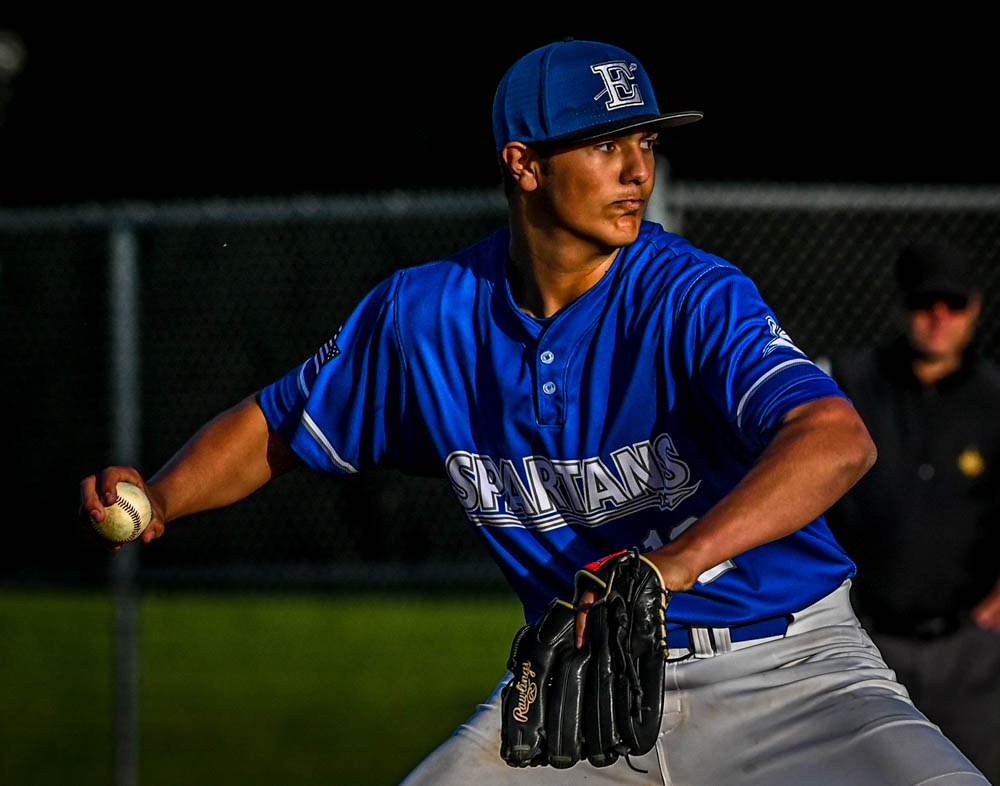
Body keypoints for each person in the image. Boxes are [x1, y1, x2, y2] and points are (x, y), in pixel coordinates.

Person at [80, 40, 989, 784]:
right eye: (605, 145)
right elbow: (278, 424)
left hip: (792, 674)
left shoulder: (690, 296)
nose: (638, 169)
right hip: (578, 691)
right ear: (523, 164)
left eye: (647, 141)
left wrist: (670, 565)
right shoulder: (426, 316)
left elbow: (835, 438)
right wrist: (160, 498)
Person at [825, 240, 1000, 782]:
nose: (939, 318)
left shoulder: (995, 400)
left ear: (975, 307)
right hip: (863, 644)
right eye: (926, 303)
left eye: (953, 303)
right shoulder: (844, 386)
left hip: (969, 651)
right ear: (899, 307)